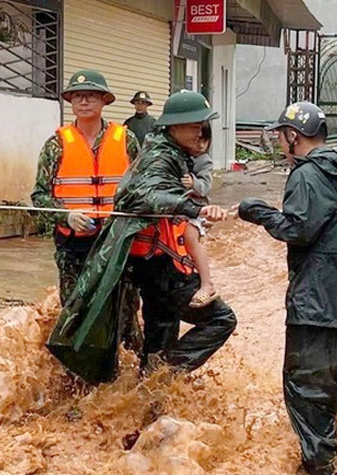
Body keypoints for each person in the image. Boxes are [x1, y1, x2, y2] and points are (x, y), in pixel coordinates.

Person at [234, 102, 337, 475]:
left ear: (294, 136)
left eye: (280, 135)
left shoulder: (306, 175)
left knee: (307, 389)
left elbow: (297, 230)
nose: (278, 142)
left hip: (318, 304)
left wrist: (255, 211)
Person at [47, 91, 236, 384]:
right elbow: (144, 195)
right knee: (221, 320)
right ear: (173, 127)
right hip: (157, 264)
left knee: (157, 337)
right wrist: (194, 208)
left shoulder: (167, 152)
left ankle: (148, 393)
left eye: (202, 124)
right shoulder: (161, 157)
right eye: (193, 124)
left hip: (155, 260)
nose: (200, 130)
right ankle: (161, 376)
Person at [30, 69, 142, 350]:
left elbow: (142, 189)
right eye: (77, 96)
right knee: (75, 310)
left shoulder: (126, 140)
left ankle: (132, 375)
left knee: (126, 310)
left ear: (104, 100)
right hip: (73, 245)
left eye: (90, 95)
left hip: (117, 242)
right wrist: (66, 215)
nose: (83, 101)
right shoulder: (56, 145)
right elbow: (39, 196)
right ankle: (74, 374)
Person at [180, 121, 217, 308]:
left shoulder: (205, 161)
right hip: (179, 208)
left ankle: (207, 283)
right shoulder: (178, 154)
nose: (201, 145)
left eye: (205, 141)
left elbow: (205, 188)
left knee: (189, 235)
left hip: (198, 208)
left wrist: (193, 182)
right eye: (197, 140)